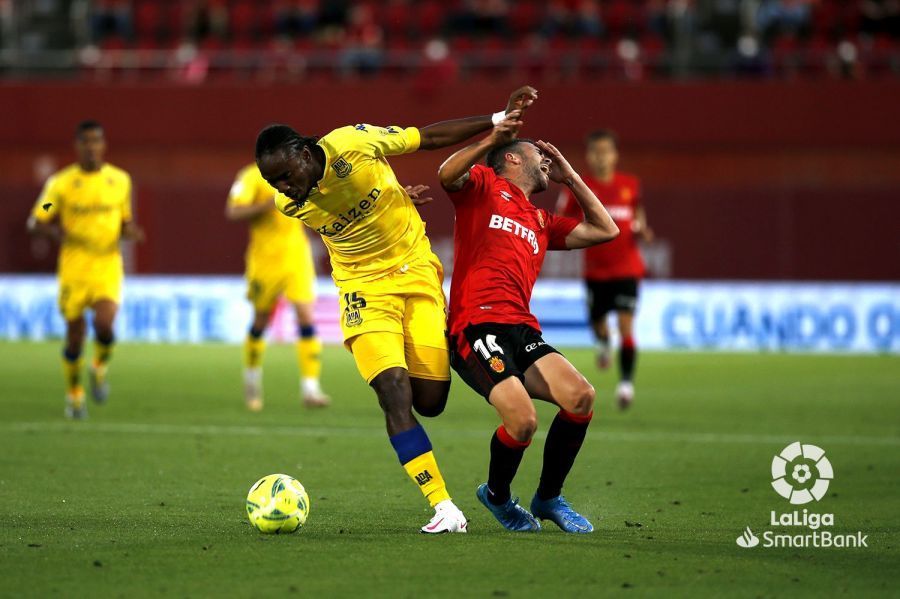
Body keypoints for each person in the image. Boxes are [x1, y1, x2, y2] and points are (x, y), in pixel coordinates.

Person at [254, 85, 539, 534]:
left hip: (416, 273)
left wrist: (494, 120)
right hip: (362, 291)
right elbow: (343, 211)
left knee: (431, 400)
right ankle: (443, 505)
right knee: (393, 392)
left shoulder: (352, 143)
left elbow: (426, 137)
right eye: (276, 183)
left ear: (306, 152)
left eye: (287, 174)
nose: (285, 188)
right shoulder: (289, 204)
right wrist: (393, 194)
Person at [438, 113, 619, 533]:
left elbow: (605, 229)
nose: (547, 162)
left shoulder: (540, 220)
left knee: (581, 397)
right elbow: (446, 173)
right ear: (514, 161)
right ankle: (497, 495)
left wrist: (572, 178)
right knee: (522, 422)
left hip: (522, 329)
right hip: (475, 326)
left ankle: (548, 497)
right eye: (540, 155)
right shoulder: (483, 186)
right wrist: (491, 139)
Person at [27, 120, 144, 419]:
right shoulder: (61, 185)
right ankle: (75, 395)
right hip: (74, 269)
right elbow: (38, 220)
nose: (91, 147)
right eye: (86, 142)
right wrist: (54, 233)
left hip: (107, 265)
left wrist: (131, 231)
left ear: (104, 145)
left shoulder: (120, 181)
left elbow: (125, 220)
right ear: (77, 146)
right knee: (75, 336)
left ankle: (99, 367)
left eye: (96, 141)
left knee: (105, 324)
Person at [557, 130, 653, 409]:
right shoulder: (579, 186)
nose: (602, 157)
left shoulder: (630, 185)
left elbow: (636, 214)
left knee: (626, 327)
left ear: (615, 155)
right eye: (596, 152)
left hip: (628, 269)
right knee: (599, 326)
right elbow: (562, 221)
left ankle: (625, 384)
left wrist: (642, 229)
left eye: (606, 151)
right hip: (595, 272)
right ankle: (602, 344)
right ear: (589, 155)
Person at [225, 164, 329, 411]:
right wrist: (267, 205)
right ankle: (252, 379)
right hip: (264, 261)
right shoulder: (250, 177)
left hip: (296, 257)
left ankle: (311, 388)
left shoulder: (295, 173)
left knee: (306, 316)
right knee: (261, 321)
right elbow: (233, 211)